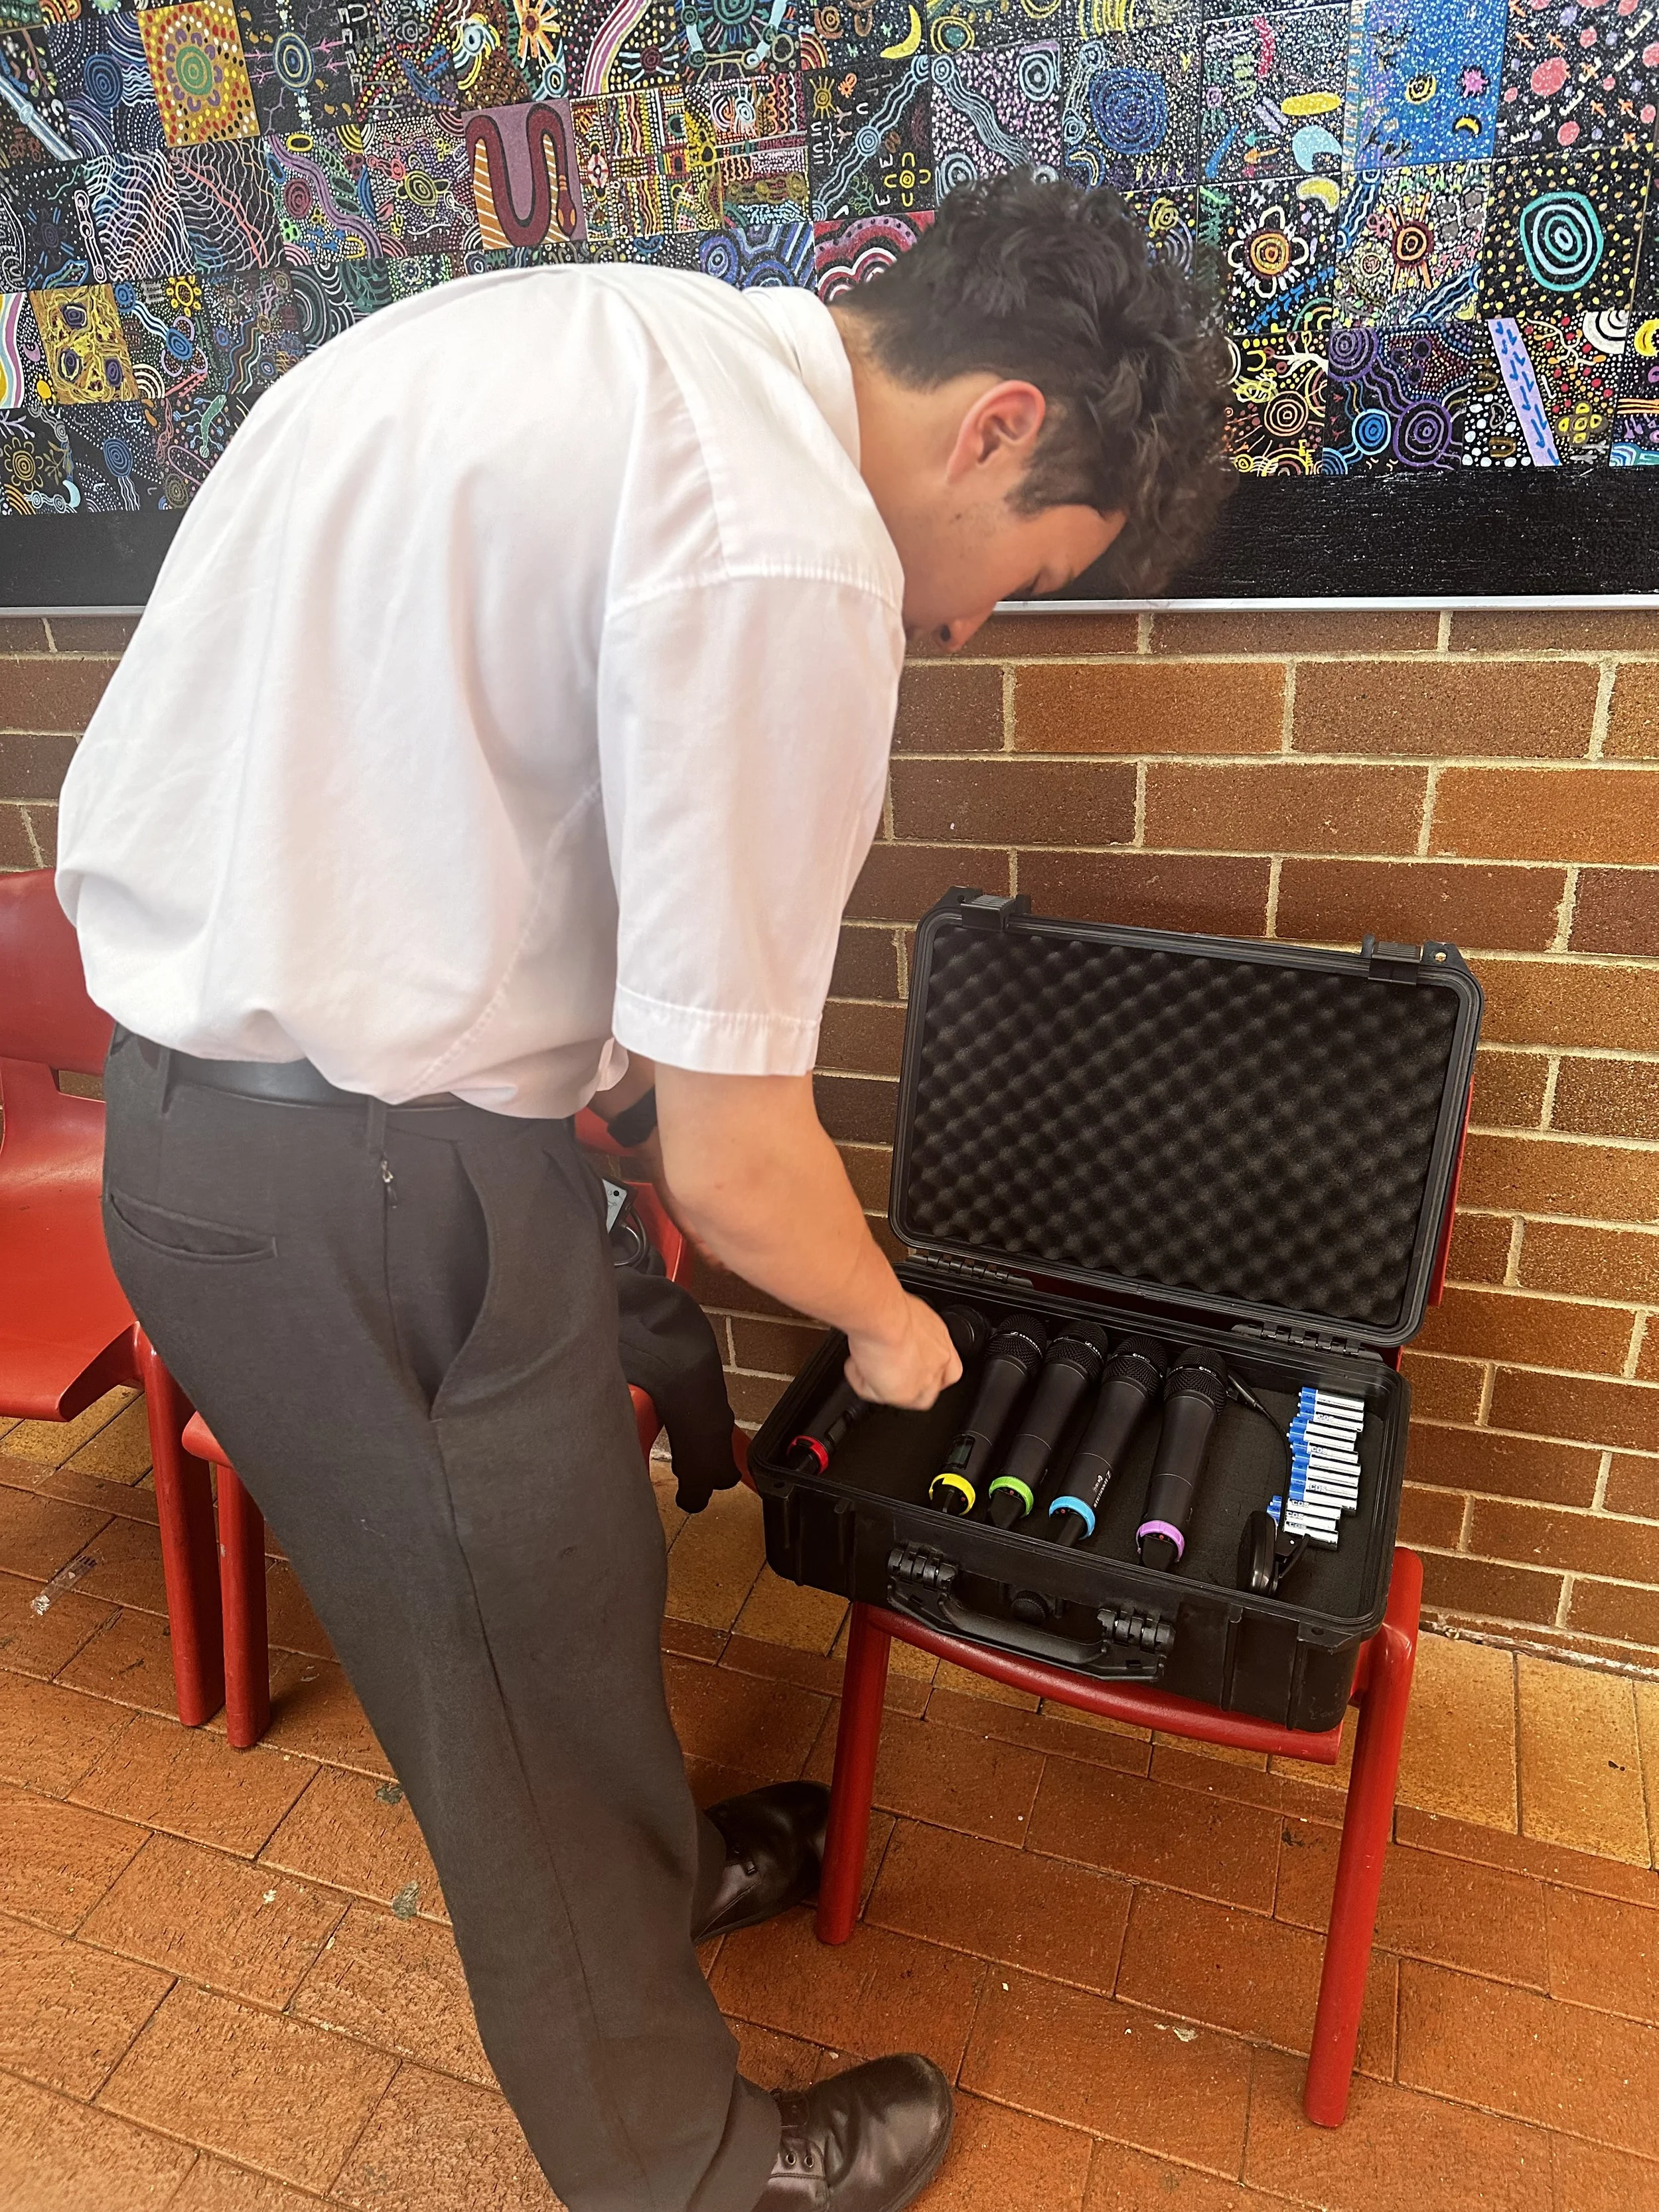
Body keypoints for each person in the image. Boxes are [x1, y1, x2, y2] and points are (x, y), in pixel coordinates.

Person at [56, 173, 1229, 2212]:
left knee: (568, 1579)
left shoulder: (576, 333)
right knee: (498, 1673)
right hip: (362, 1176)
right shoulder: (782, 547)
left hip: (260, 1128)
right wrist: (885, 1323)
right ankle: (680, 2167)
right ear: (999, 424)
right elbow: (738, 1151)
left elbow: (448, 787)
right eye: (1025, 575)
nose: (970, 622)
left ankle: (661, 1875)